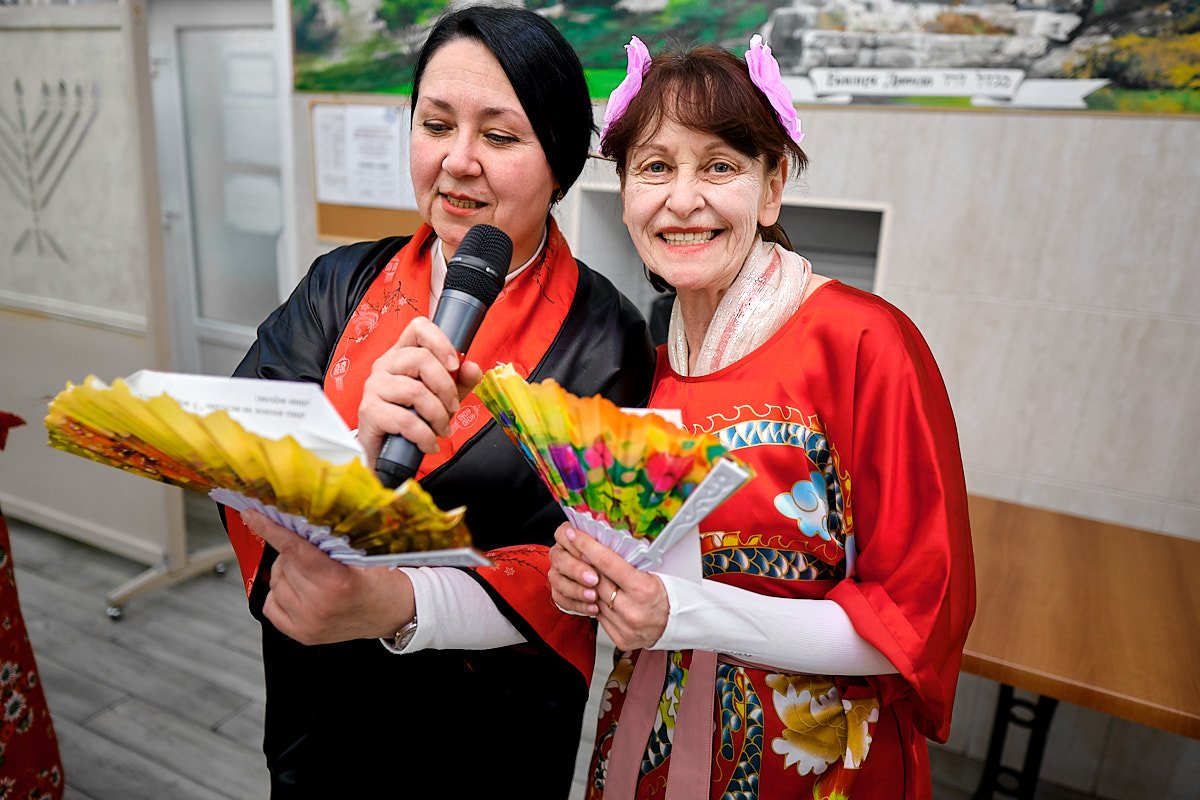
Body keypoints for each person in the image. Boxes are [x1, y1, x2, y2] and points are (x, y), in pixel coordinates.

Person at [218, 7, 654, 797]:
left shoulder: (607, 337)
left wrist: (394, 601)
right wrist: (351, 451)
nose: (457, 161)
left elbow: (576, 570)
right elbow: (237, 452)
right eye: (436, 124)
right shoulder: (339, 284)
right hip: (322, 706)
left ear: (560, 161)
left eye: (500, 135)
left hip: (493, 732)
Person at [547, 36, 976, 798]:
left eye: (719, 166)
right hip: (647, 746)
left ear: (772, 187)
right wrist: (586, 577)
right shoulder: (651, 367)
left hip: (812, 768)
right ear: (626, 194)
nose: (683, 200)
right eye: (655, 167)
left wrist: (682, 612)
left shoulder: (864, 343)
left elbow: (912, 623)